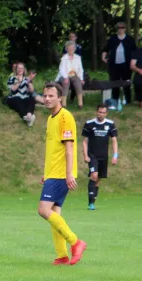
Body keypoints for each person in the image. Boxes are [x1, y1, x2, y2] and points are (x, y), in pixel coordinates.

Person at [38, 82, 87, 266]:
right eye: (45, 95)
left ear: (60, 97)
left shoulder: (65, 117)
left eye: (51, 96)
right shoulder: (51, 118)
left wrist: (69, 174)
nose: (47, 99)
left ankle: (76, 242)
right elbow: (53, 150)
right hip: (53, 173)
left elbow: (69, 148)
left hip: (61, 174)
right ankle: (62, 255)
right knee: (54, 213)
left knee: (43, 210)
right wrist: (46, 173)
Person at [82, 104, 119, 211]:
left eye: (103, 112)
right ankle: (90, 204)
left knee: (98, 180)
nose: (101, 114)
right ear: (96, 112)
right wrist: (85, 155)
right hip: (92, 155)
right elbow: (85, 141)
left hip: (104, 156)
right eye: (99, 112)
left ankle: (93, 201)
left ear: (106, 113)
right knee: (94, 175)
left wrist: (115, 155)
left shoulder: (110, 124)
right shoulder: (89, 124)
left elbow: (114, 141)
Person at [102, 22, 137, 104]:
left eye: (122, 27)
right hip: (114, 65)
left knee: (127, 82)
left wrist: (134, 62)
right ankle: (115, 100)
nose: (120, 29)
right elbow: (106, 49)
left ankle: (128, 101)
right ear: (117, 29)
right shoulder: (113, 38)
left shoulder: (129, 39)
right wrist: (103, 57)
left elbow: (135, 51)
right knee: (114, 82)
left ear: (125, 29)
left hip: (126, 65)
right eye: (119, 28)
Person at [5, 62, 36, 126]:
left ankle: (29, 115)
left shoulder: (27, 79)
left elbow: (31, 90)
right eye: (18, 68)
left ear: (24, 69)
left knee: (32, 98)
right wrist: (19, 82)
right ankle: (25, 116)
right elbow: (12, 90)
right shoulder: (12, 78)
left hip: (25, 97)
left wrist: (29, 81)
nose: (20, 70)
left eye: (22, 68)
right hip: (14, 98)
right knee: (18, 99)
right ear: (16, 69)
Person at [56, 41, 85, 108]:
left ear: (74, 49)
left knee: (78, 81)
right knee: (66, 83)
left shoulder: (78, 57)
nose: (71, 50)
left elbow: (80, 69)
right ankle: (63, 104)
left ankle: (80, 104)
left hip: (73, 75)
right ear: (67, 49)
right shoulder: (64, 58)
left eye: (72, 48)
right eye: (69, 48)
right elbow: (61, 69)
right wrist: (66, 77)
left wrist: (81, 79)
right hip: (64, 75)